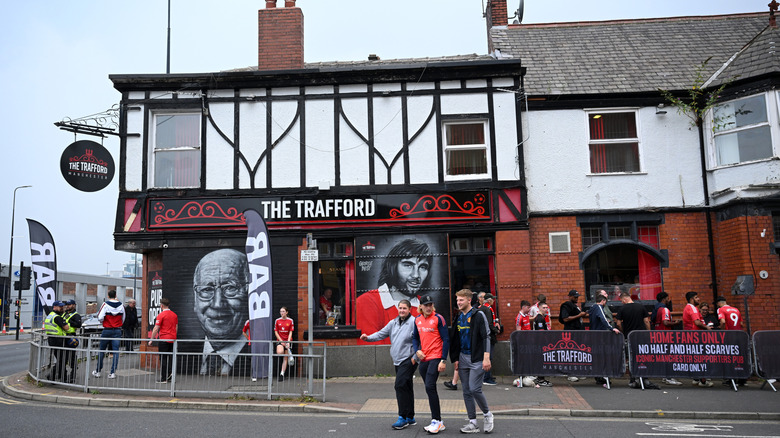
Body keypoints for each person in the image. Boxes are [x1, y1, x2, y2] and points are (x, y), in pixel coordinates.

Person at [356, 238, 429, 344]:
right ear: (392, 267)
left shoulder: (425, 305)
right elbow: (370, 350)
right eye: (408, 265)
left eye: (422, 267)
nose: (416, 275)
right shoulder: (366, 302)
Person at [361, 300, 418, 430]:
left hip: (408, 360)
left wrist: (414, 358)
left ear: (410, 309)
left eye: (404, 308)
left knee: (399, 385)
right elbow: (381, 333)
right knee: (407, 386)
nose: (402, 310)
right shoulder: (393, 323)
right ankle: (410, 416)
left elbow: (420, 340)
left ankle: (402, 417)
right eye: (400, 308)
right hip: (397, 360)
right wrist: (368, 338)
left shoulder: (414, 322)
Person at [193, 248, 250, 376]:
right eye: (207, 289)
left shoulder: (258, 353)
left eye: (230, 288)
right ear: (195, 298)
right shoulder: (185, 352)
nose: (218, 304)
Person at [449, 289, 494, 434]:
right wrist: (455, 358)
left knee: (475, 388)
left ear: (469, 300)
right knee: (467, 391)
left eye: (461, 300)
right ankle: (473, 422)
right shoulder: (458, 317)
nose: (458, 302)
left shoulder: (478, 315)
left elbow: (486, 336)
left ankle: (487, 414)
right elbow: (455, 339)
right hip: (462, 358)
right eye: (457, 300)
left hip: (477, 358)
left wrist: (486, 357)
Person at [412, 295, 449, 434]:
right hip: (424, 359)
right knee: (429, 389)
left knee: (430, 386)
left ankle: (437, 420)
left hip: (436, 357)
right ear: (420, 306)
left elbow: (446, 339)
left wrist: (443, 360)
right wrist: (417, 351)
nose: (428, 307)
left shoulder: (438, 318)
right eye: (425, 305)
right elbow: (415, 337)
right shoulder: (417, 320)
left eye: (430, 305)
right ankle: (438, 421)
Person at [615, 291, 658, 389]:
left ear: (625, 298)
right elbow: (646, 321)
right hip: (641, 336)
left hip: (630, 336)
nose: (622, 302)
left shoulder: (622, 309)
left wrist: (623, 332)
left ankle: (633, 378)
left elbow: (618, 323)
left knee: (631, 357)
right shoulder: (641, 306)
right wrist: (648, 333)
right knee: (642, 356)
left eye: (622, 300)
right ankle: (644, 377)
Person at [682, 291, 713, 387]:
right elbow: (697, 322)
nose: (698, 299)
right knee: (700, 358)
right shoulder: (692, 308)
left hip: (692, 337)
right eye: (696, 297)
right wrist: (707, 328)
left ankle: (696, 379)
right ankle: (703, 381)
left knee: (695, 358)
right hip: (695, 337)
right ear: (691, 299)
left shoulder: (687, 308)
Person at [92, 290, 125, 379]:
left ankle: (98, 371)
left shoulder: (105, 305)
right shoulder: (121, 305)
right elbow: (123, 318)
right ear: (115, 295)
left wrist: (104, 322)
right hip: (117, 330)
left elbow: (100, 317)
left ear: (108, 295)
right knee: (115, 351)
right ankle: (112, 372)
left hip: (107, 329)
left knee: (102, 350)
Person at [651, 292, 682, 385]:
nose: (669, 300)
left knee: (663, 356)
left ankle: (665, 376)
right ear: (664, 299)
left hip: (658, 334)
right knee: (668, 356)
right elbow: (665, 322)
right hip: (666, 335)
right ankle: (669, 377)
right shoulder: (664, 309)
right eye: (668, 298)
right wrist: (676, 323)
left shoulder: (656, 308)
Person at [715, 296, 746, 386]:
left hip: (729, 336)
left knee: (730, 357)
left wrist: (722, 330)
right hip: (739, 335)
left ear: (718, 303)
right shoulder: (736, 309)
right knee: (739, 357)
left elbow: (723, 322)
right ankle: (742, 379)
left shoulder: (721, 309)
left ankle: (731, 378)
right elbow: (741, 323)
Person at [148, 297, 178, 383]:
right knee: (171, 358)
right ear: (168, 305)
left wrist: (151, 339)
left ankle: (164, 378)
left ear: (161, 306)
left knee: (163, 359)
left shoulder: (161, 315)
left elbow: (156, 328)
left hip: (164, 339)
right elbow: (176, 327)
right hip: (173, 339)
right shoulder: (174, 315)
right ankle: (170, 375)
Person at [559, 289, 586, 382]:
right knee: (571, 353)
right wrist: (579, 315)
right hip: (571, 333)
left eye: (577, 296)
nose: (577, 298)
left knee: (577, 352)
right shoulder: (566, 305)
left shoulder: (575, 305)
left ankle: (577, 372)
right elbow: (565, 318)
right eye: (575, 297)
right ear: (570, 296)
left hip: (577, 332)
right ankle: (570, 373)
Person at [44, 301, 70, 382]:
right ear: (54, 307)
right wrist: (65, 322)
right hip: (58, 340)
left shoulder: (50, 316)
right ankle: (51, 375)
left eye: (62, 306)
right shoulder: (57, 317)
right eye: (60, 307)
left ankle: (63, 376)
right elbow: (66, 328)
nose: (62, 308)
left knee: (61, 358)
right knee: (62, 359)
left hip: (52, 339)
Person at [530, 303, 553, 387]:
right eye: (543, 308)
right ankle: (540, 379)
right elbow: (541, 332)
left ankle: (540, 378)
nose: (545, 309)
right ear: (539, 308)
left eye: (547, 307)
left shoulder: (540, 317)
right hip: (540, 343)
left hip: (539, 343)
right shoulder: (539, 318)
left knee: (541, 360)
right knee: (541, 361)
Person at [478, 293, 499, 385]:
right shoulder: (488, 310)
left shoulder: (480, 308)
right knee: (488, 357)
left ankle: (486, 375)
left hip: (481, 337)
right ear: (490, 300)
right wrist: (496, 330)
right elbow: (489, 324)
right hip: (489, 336)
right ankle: (487, 377)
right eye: (493, 299)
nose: (494, 301)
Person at [62, 299, 82, 383]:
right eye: (67, 304)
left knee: (72, 357)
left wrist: (69, 323)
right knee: (63, 356)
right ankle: (63, 375)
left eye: (69, 305)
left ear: (74, 305)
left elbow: (78, 325)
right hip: (63, 336)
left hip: (71, 337)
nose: (68, 306)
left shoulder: (76, 315)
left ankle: (72, 375)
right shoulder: (65, 313)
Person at [274, 306, 294, 382]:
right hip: (280, 340)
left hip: (287, 341)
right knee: (280, 352)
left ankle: (282, 374)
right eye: (281, 311)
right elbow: (276, 332)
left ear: (286, 312)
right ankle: (288, 353)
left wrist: (288, 342)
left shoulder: (290, 321)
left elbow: (290, 332)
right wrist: (281, 341)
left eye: (283, 311)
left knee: (285, 358)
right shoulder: (277, 321)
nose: (282, 313)